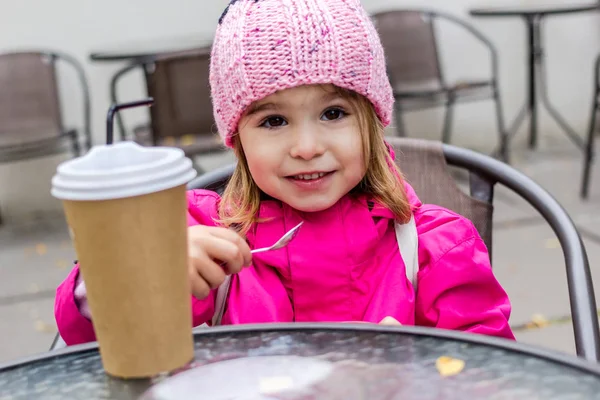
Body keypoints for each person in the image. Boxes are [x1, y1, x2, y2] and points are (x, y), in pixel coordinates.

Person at [55, 0, 514, 345]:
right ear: (237, 139)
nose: (307, 148)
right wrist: (135, 270)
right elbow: (92, 338)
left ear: (372, 122)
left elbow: (488, 374)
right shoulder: (199, 240)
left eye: (334, 113)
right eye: (273, 121)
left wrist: (415, 373)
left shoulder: (438, 249)